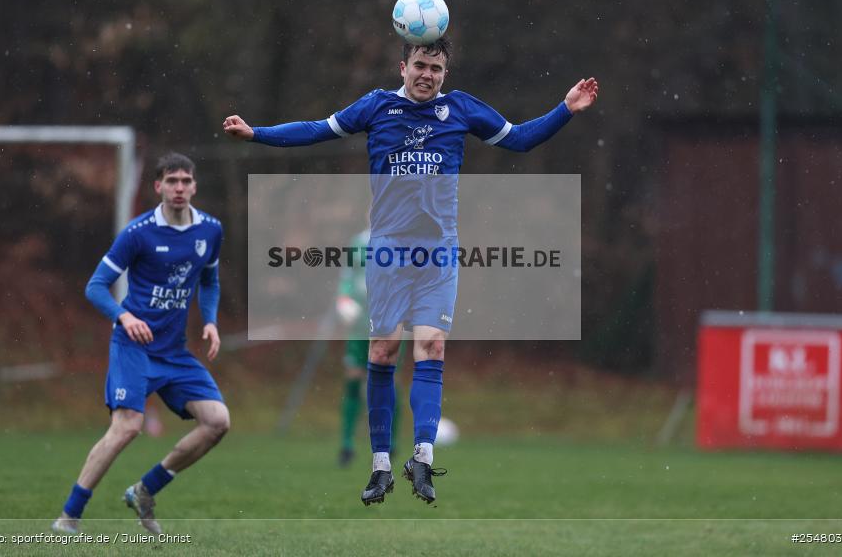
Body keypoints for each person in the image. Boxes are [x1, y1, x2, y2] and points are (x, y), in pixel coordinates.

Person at [223, 37, 598, 505]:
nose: (427, 75)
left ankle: (421, 456)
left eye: (436, 69)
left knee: (432, 345)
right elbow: (316, 129)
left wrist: (565, 108)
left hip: (439, 253)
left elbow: (520, 139)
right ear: (403, 67)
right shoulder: (376, 107)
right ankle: (380, 465)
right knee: (382, 353)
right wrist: (256, 133)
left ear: (445, 74)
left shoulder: (461, 109)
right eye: (420, 65)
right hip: (388, 255)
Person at [52, 153, 230, 534]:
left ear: (195, 186)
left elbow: (210, 281)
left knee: (217, 422)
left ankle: (145, 489)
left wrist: (211, 322)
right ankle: (68, 517)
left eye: (185, 181)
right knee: (127, 427)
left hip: (174, 351)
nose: (179, 188)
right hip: (133, 348)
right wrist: (125, 316)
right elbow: (95, 286)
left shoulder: (211, 230)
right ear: (158, 187)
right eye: (171, 181)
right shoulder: (139, 232)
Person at [335, 228, 403, 467]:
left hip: (388, 320)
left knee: (389, 378)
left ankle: (391, 442)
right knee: (353, 377)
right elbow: (347, 277)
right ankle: (347, 444)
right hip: (360, 323)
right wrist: (343, 300)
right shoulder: (359, 241)